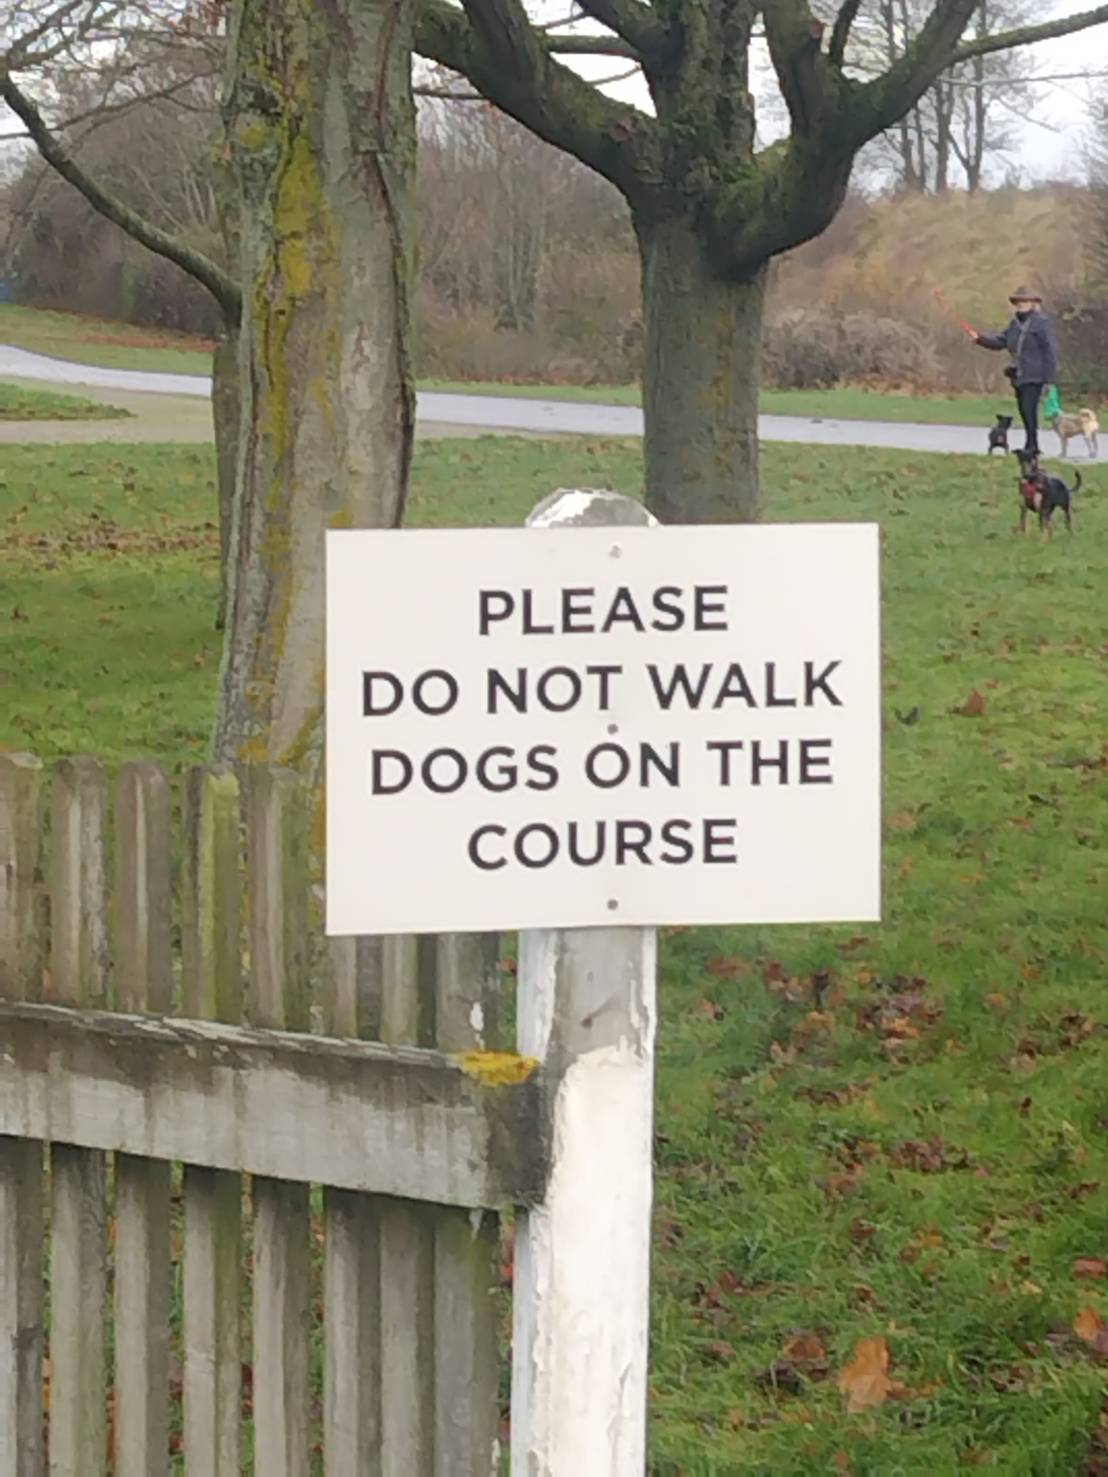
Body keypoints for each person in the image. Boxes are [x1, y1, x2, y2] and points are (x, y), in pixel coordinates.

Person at [973, 287, 1059, 457]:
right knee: (1023, 409)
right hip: (1018, 375)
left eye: (1025, 301)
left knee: (1028, 408)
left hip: (1035, 374)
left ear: (1033, 304)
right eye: (1018, 302)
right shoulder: (1014, 324)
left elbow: (1050, 350)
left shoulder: (1041, 323)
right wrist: (980, 339)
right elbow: (1001, 342)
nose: (1021, 305)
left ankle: (1032, 446)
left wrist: (1050, 378)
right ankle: (1031, 444)